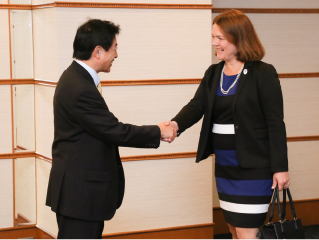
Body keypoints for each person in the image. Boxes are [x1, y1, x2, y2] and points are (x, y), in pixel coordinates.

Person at [164, 9, 290, 240]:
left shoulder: (263, 73)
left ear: (238, 38)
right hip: (225, 167)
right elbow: (196, 106)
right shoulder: (213, 73)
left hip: (254, 167)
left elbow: (275, 123)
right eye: (213, 37)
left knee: (246, 232)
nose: (214, 43)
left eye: (220, 38)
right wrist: (174, 125)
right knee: (233, 229)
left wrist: (280, 167)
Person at [46, 19, 176, 240]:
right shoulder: (80, 88)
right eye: (114, 48)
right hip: (80, 194)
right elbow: (114, 131)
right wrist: (158, 131)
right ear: (98, 51)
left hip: (79, 192)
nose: (117, 54)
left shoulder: (77, 78)